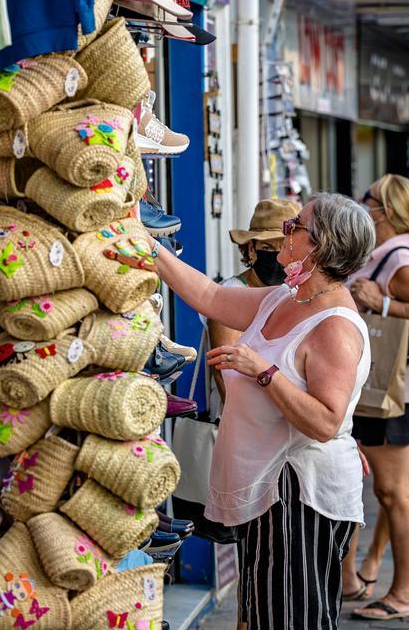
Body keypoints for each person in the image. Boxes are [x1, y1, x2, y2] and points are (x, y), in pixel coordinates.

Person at [150, 193, 374, 629]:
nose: (285, 234)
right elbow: (211, 296)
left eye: (295, 227)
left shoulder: (334, 326)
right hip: (269, 492)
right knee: (266, 615)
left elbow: (325, 422)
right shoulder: (286, 298)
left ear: (321, 245)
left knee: (291, 618)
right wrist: (147, 245)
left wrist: (264, 371)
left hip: (299, 495)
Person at [340, 174, 409, 621]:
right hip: (382, 388)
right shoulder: (382, 254)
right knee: (379, 489)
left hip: (400, 390)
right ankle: (363, 581)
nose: (362, 206)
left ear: (385, 211)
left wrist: (382, 304)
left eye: (367, 200)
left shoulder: (400, 258)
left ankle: (404, 594)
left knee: (392, 491)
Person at [209, 198, 302, 399]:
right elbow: (225, 374)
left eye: (284, 248)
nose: (277, 258)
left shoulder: (298, 294)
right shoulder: (232, 294)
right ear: (251, 249)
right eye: (268, 248)